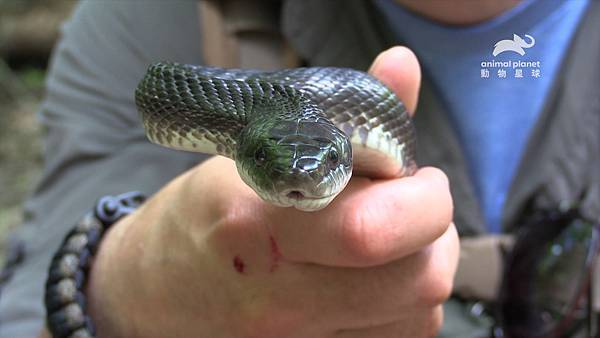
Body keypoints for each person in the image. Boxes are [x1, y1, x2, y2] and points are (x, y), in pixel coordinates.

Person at [0, 0, 598, 337]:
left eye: (329, 162)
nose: (301, 180)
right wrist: (116, 294)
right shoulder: (149, 24)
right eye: (263, 161)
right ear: (238, 147)